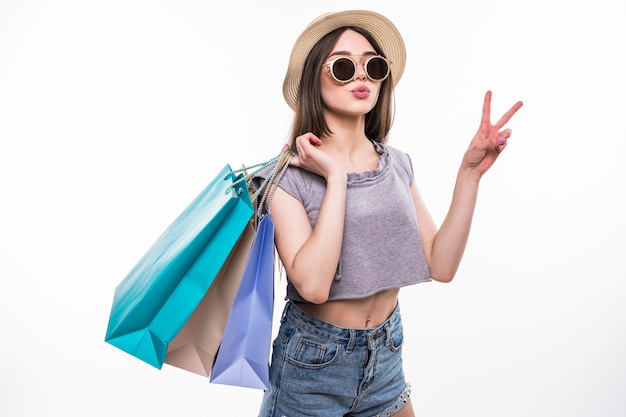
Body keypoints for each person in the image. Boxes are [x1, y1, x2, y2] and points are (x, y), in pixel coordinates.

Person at [254, 9, 523, 417]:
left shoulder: (396, 163)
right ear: (314, 77)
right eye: (344, 66)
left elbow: (441, 264)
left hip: (386, 353)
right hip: (311, 366)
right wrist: (336, 177)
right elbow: (312, 285)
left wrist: (469, 175)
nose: (361, 76)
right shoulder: (283, 175)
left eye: (373, 66)